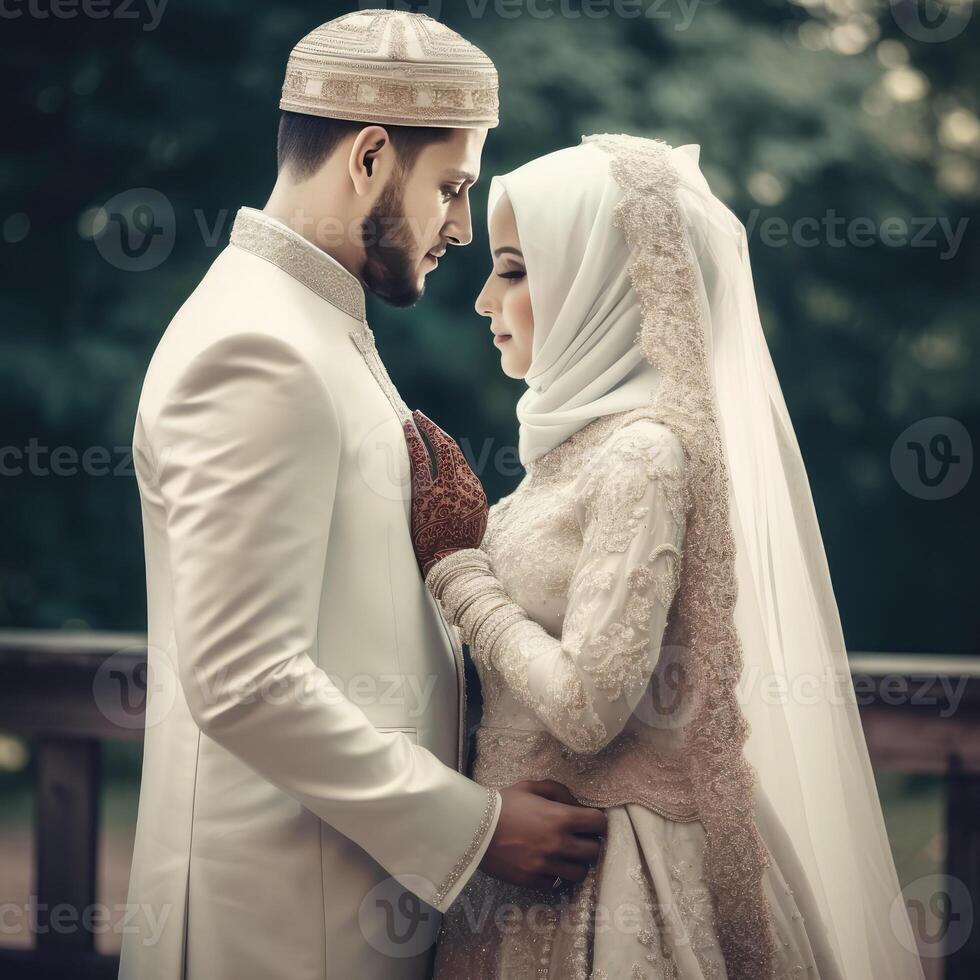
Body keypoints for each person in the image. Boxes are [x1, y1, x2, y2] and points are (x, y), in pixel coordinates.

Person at [119, 11, 604, 980]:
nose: (461, 228)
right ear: (371, 157)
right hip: (276, 929)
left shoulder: (310, 321)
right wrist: (475, 827)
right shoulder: (254, 345)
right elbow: (241, 675)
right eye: (452, 188)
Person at [406, 135, 927, 979]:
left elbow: (586, 708)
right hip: (521, 863)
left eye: (513, 268)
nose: (483, 301)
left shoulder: (644, 454)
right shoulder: (575, 452)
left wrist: (459, 574)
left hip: (613, 882)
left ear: (596, 282)